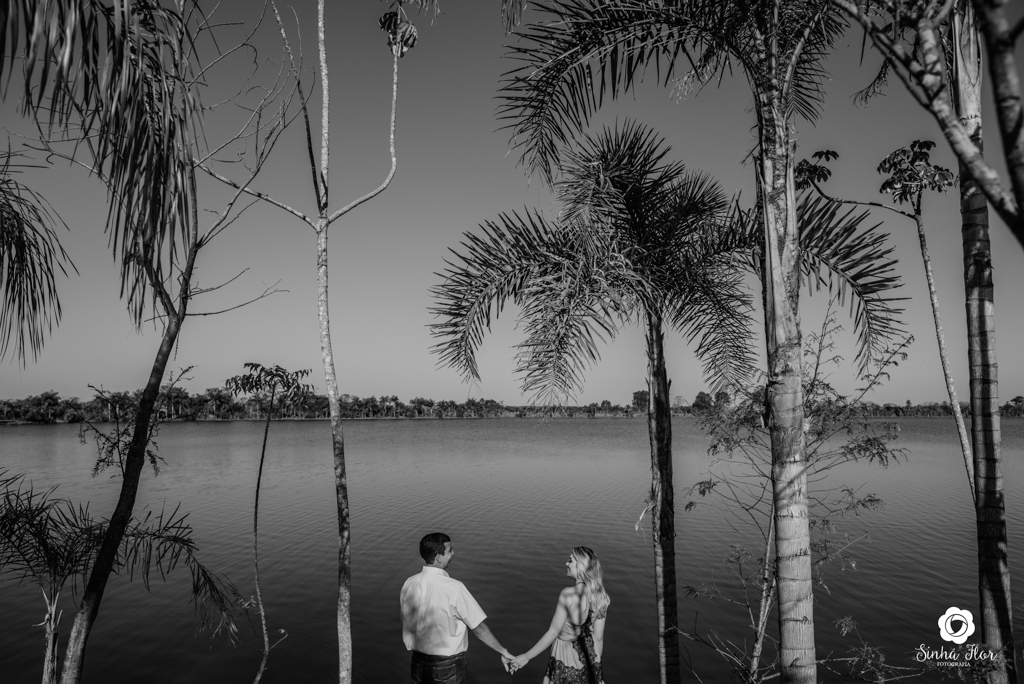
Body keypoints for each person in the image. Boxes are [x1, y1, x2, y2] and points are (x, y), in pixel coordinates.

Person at [401, 532, 515, 683]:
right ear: (439, 557)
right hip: (447, 666)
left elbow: (406, 620)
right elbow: (478, 627)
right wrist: (503, 651)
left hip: (417, 663)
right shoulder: (454, 588)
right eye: (450, 550)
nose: (453, 553)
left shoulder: (409, 583)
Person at [510, 546, 609, 683]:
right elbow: (598, 638)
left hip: (564, 660)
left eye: (570, 561)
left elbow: (553, 632)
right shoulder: (601, 597)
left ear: (580, 566)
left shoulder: (568, 595)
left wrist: (526, 657)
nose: (566, 564)